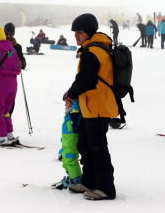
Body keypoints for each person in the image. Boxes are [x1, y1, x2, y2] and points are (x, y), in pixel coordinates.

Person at [64, 13, 118, 200]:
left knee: (97, 147)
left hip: (98, 106)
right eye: (75, 33)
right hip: (91, 106)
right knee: (85, 144)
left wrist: (70, 94)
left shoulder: (93, 51)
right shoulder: (94, 48)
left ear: (88, 32)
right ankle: (89, 181)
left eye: (79, 32)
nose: (76, 36)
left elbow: (85, 80)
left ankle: (106, 188)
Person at [0, 23, 26, 138]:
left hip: (10, 81)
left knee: (8, 108)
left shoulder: (17, 46)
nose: (8, 36)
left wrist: (21, 63)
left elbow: (22, 61)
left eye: (11, 33)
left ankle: (5, 132)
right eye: (6, 33)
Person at [51, 100, 82, 190]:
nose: (65, 104)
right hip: (67, 142)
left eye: (67, 102)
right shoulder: (68, 116)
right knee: (66, 158)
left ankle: (76, 180)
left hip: (72, 141)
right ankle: (71, 176)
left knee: (70, 158)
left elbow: (77, 105)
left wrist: (74, 97)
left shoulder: (75, 114)